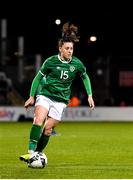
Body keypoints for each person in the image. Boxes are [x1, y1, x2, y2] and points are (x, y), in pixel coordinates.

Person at [19, 22, 95, 163]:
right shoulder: (50, 62)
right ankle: (31, 152)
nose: (70, 51)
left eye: (71, 48)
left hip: (61, 101)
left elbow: (85, 76)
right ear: (60, 49)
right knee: (38, 120)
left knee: (47, 130)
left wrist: (90, 95)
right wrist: (31, 96)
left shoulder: (76, 64)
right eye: (67, 48)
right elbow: (38, 78)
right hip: (46, 96)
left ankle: (38, 153)